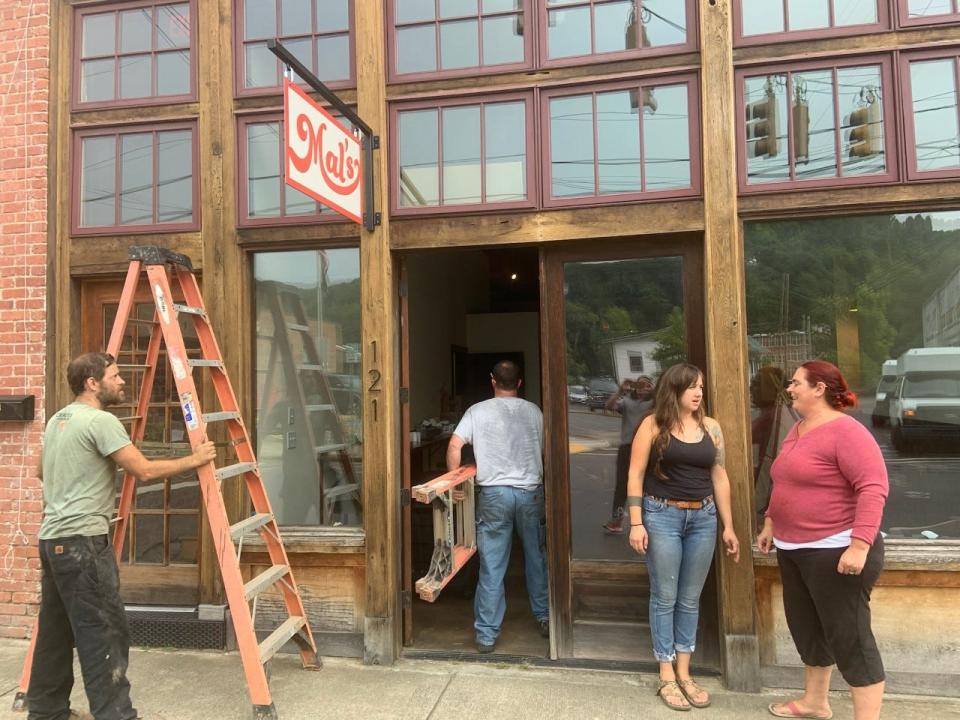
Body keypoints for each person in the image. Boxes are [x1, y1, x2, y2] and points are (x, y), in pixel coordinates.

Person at [28, 352, 217, 720]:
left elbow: (40, 471)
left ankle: (47, 712)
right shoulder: (101, 422)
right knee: (105, 634)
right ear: (92, 383)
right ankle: (116, 715)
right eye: (115, 377)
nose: (122, 382)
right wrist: (195, 459)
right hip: (82, 545)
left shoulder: (57, 420)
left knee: (54, 632)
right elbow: (142, 471)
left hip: (51, 541)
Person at [758, 360, 888, 720]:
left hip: (836, 550)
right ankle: (815, 703)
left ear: (819, 389)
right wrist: (770, 521)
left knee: (852, 640)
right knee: (808, 630)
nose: (790, 388)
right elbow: (783, 480)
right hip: (794, 548)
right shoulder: (798, 429)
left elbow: (873, 488)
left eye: (797, 382)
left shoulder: (848, 432)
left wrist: (860, 545)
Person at [626, 362, 740, 711]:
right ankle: (666, 674)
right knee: (665, 596)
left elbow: (719, 476)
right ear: (673, 390)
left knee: (690, 599)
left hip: (703, 517)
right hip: (662, 514)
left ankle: (685, 673)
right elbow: (635, 474)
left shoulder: (712, 428)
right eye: (692, 387)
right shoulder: (652, 425)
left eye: (701, 387)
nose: (698, 393)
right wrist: (636, 522)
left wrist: (729, 526)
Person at [446, 360, 548, 654]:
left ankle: (487, 634)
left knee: (492, 565)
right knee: (536, 557)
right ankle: (544, 617)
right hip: (530, 493)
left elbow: (454, 446)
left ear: (492, 381)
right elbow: (545, 450)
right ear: (519, 383)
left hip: (492, 495)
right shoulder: (534, 412)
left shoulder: (476, 412)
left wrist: (455, 484)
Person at [601, 375, 655, 534]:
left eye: (646, 385)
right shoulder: (627, 401)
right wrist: (620, 391)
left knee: (647, 485)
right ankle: (616, 521)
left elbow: (666, 403)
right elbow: (609, 406)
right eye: (640, 384)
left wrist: (654, 391)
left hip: (648, 448)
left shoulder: (654, 403)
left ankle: (647, 522)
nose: (642, 388)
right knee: (622, 486)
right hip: (627, 447)